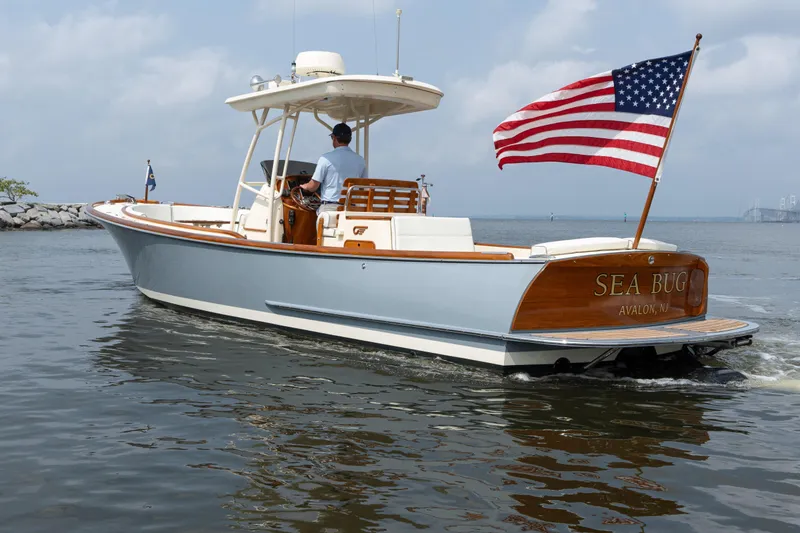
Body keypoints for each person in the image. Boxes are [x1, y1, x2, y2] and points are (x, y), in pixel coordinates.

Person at [300, 122, 366, 214]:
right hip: (351, 210)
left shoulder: (325, 159)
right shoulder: (360, 160)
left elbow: (313, 187)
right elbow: (364, 187)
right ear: (349, 139)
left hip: (330, 210)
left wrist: (305, 186)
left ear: (334, 138)